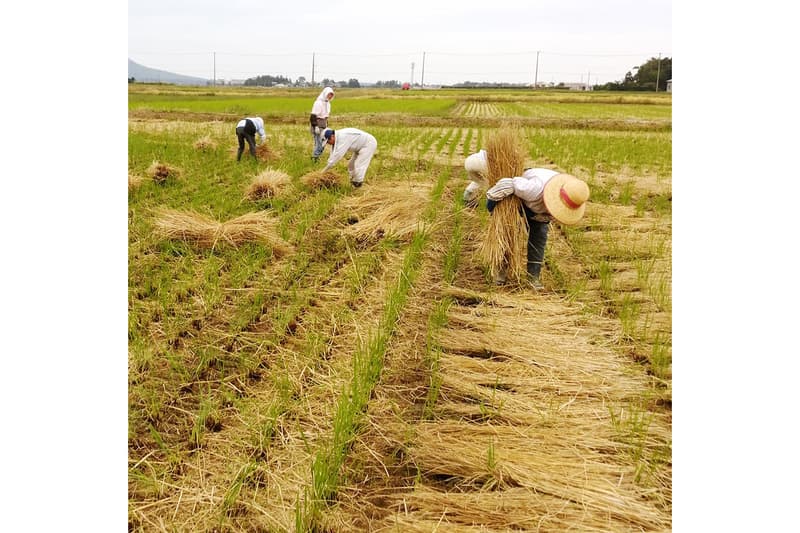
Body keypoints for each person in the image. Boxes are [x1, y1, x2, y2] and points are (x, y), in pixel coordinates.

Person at [485, 170, 590, 289]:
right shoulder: (532, 189)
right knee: (508, 233)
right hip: (518, 203)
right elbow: (507, 184)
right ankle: (500, 271)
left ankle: (533, 276)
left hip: (538, 212)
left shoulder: (574, 197)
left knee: (539, 236)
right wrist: (493, 206)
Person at [310, 87, 335, 161]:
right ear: (325, 94)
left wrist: (326, 125)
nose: (330, 96)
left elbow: (326, 116)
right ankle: (315, 158)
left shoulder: (328, 104)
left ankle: (316, 157)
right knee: (319, 143)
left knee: (323, 142)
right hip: (317, 123)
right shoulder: (318, 103)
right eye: (329, 94)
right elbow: (313, 116)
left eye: (331, 95)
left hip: (324, 124)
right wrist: (316, 126)